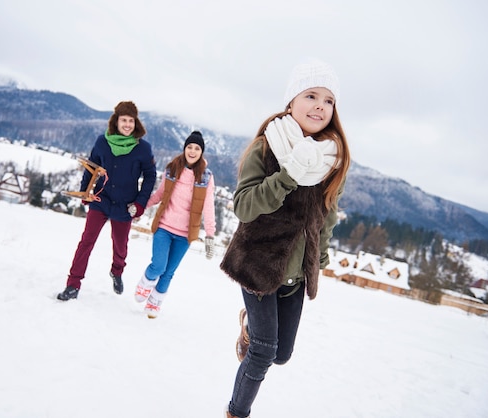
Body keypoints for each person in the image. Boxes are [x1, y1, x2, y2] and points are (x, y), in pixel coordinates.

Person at [220, 58, 350, 418]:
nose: (320, 105)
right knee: (262, 351)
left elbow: (327, 214)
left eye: (329, 100)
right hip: (257, 265)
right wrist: (288, 174)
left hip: (295, 274)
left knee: (281, 354)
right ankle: (236, 412)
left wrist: (319, 256)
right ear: (291, 102)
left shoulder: (329, 159)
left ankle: (248, 325)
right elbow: (244, 206)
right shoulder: (267, 148)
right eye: (311, 95)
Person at [57, 101, 157, 301]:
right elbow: (91, 167)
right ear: (116, 121)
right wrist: (85, 192)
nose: (127, 124)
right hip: (100, 199)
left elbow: (150, 176)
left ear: (135, 122)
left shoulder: (143, 148)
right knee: (86, 242)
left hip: (125, 205)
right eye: (123, 120)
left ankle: (117, 271)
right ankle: (73, 284)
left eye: (131, 120)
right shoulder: (102, 142)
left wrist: (139, 203)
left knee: (120, 246)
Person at [133, 131, 216, 318]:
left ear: (201, 152)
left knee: (169, 272)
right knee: (158, 266)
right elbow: (159, 194)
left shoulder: (206, 177)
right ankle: (145, 282)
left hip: (185, 235)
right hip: (164, 226)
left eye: (197, 148)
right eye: (190, 147)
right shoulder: (172, 169)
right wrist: (140, 208)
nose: (192, 151)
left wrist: (210, 234)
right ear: (184, 149)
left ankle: (154, 303)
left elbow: (208, 206)